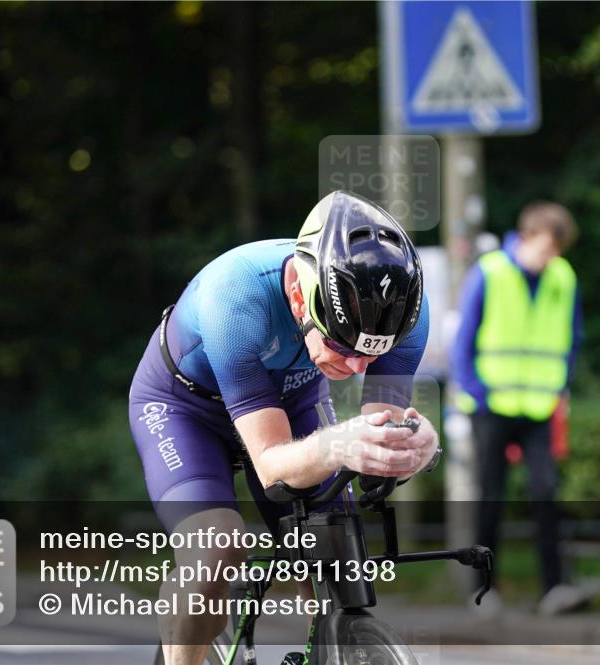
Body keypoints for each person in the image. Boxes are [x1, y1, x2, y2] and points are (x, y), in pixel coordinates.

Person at [128, 190, 440, 665]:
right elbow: (273, 465)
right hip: (183, 408)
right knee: (217, 548)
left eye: (373, 354)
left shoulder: (403, 315)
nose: (358, 368)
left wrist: (413, 445)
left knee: (334, 546)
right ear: (299, 297)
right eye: (344, 347)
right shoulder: (234, 296)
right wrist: (339, 443)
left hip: (292, 398)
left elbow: (383, 431)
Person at [450, 201, 583, 611]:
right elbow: (462, 343)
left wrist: (561, 386)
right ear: (525, 238)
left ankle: (554, 589)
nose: (551, 258)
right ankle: (485, 591)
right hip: (491, 406)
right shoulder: (489, 271)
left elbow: (572, 337)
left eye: (557, 250)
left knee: (547, 494)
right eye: (546, 248)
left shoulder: (563, 276)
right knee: (490, 500)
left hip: (540, 406)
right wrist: (476, 394)